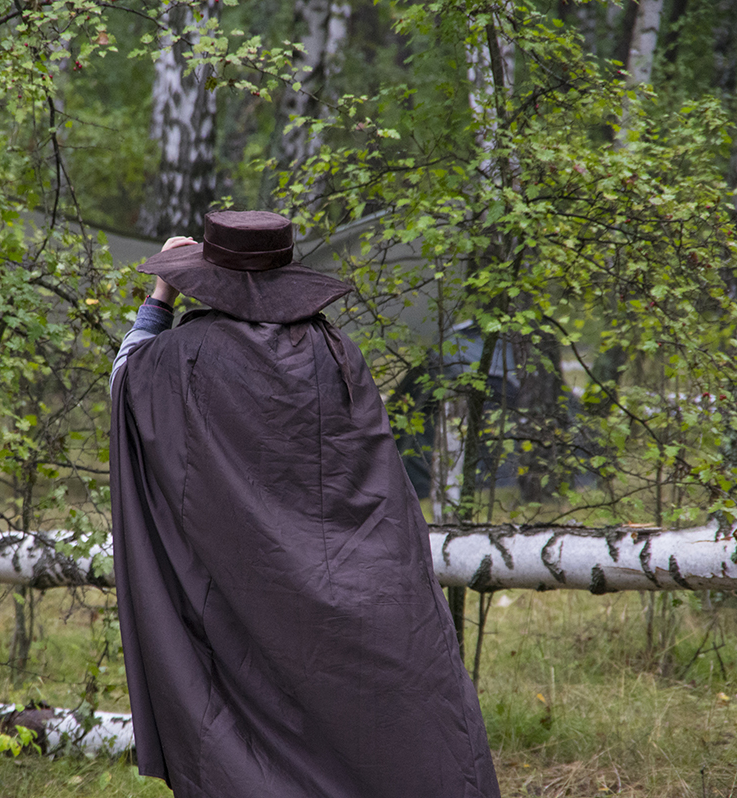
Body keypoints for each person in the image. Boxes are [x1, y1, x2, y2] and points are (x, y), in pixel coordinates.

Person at [109, 210, 501, 798]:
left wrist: (161, 295)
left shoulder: (181, 357)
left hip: (243, 587)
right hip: (357, 583)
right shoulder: (335, 349)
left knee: (258, 728)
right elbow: (371, 475)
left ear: (207, 276)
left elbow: (124, 379)